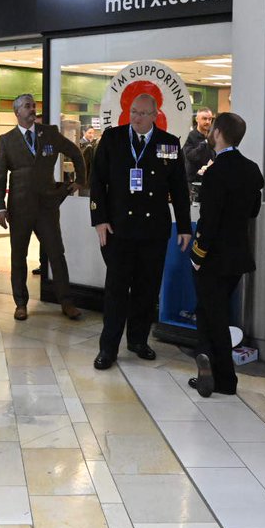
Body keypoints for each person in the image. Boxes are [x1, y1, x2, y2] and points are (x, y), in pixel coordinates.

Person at [89, 92, 191, 370]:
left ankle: (138, 340)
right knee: (116, 292)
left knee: (147, 291)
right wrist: (99, 218)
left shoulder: (168, 144)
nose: (135, 117)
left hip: (153, 232)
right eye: (133, 111)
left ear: (155, 115)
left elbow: (179, 189)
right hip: (118, 229)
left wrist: (183, 226)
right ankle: (107, 348)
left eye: (142, 113)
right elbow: (97, 180)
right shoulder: (113, 139)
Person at [187, 112, 263, 398]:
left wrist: (198, 254)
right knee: (209, 312)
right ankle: (206, 362)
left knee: (213, 316)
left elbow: (209, 220)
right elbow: (253, 211)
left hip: (213, 257)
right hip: (238, 255)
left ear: (217, 132)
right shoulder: (251, 169)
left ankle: (224, 378)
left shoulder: (216, 171)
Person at [0, 94, 86, 321]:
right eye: (27, 106)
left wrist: (80, 179)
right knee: (18, 257)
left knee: (56, 253)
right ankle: (21, 303)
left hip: (47, 206)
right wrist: (0, 207)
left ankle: (66, 302)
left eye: (34, 106)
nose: (32, 109)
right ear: (17, 112)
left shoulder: (49, 134)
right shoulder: (7, 140)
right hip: (20, 207)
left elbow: (75, 152)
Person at [182, 107, 215, 183]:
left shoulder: (212, 136)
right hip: (193, 180)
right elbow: (190, 156)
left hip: (210, 179)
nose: (207, 122)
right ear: (197, 119)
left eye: (210, 119)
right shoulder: (188, 136)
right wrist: (205, 143)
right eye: (204, 119)